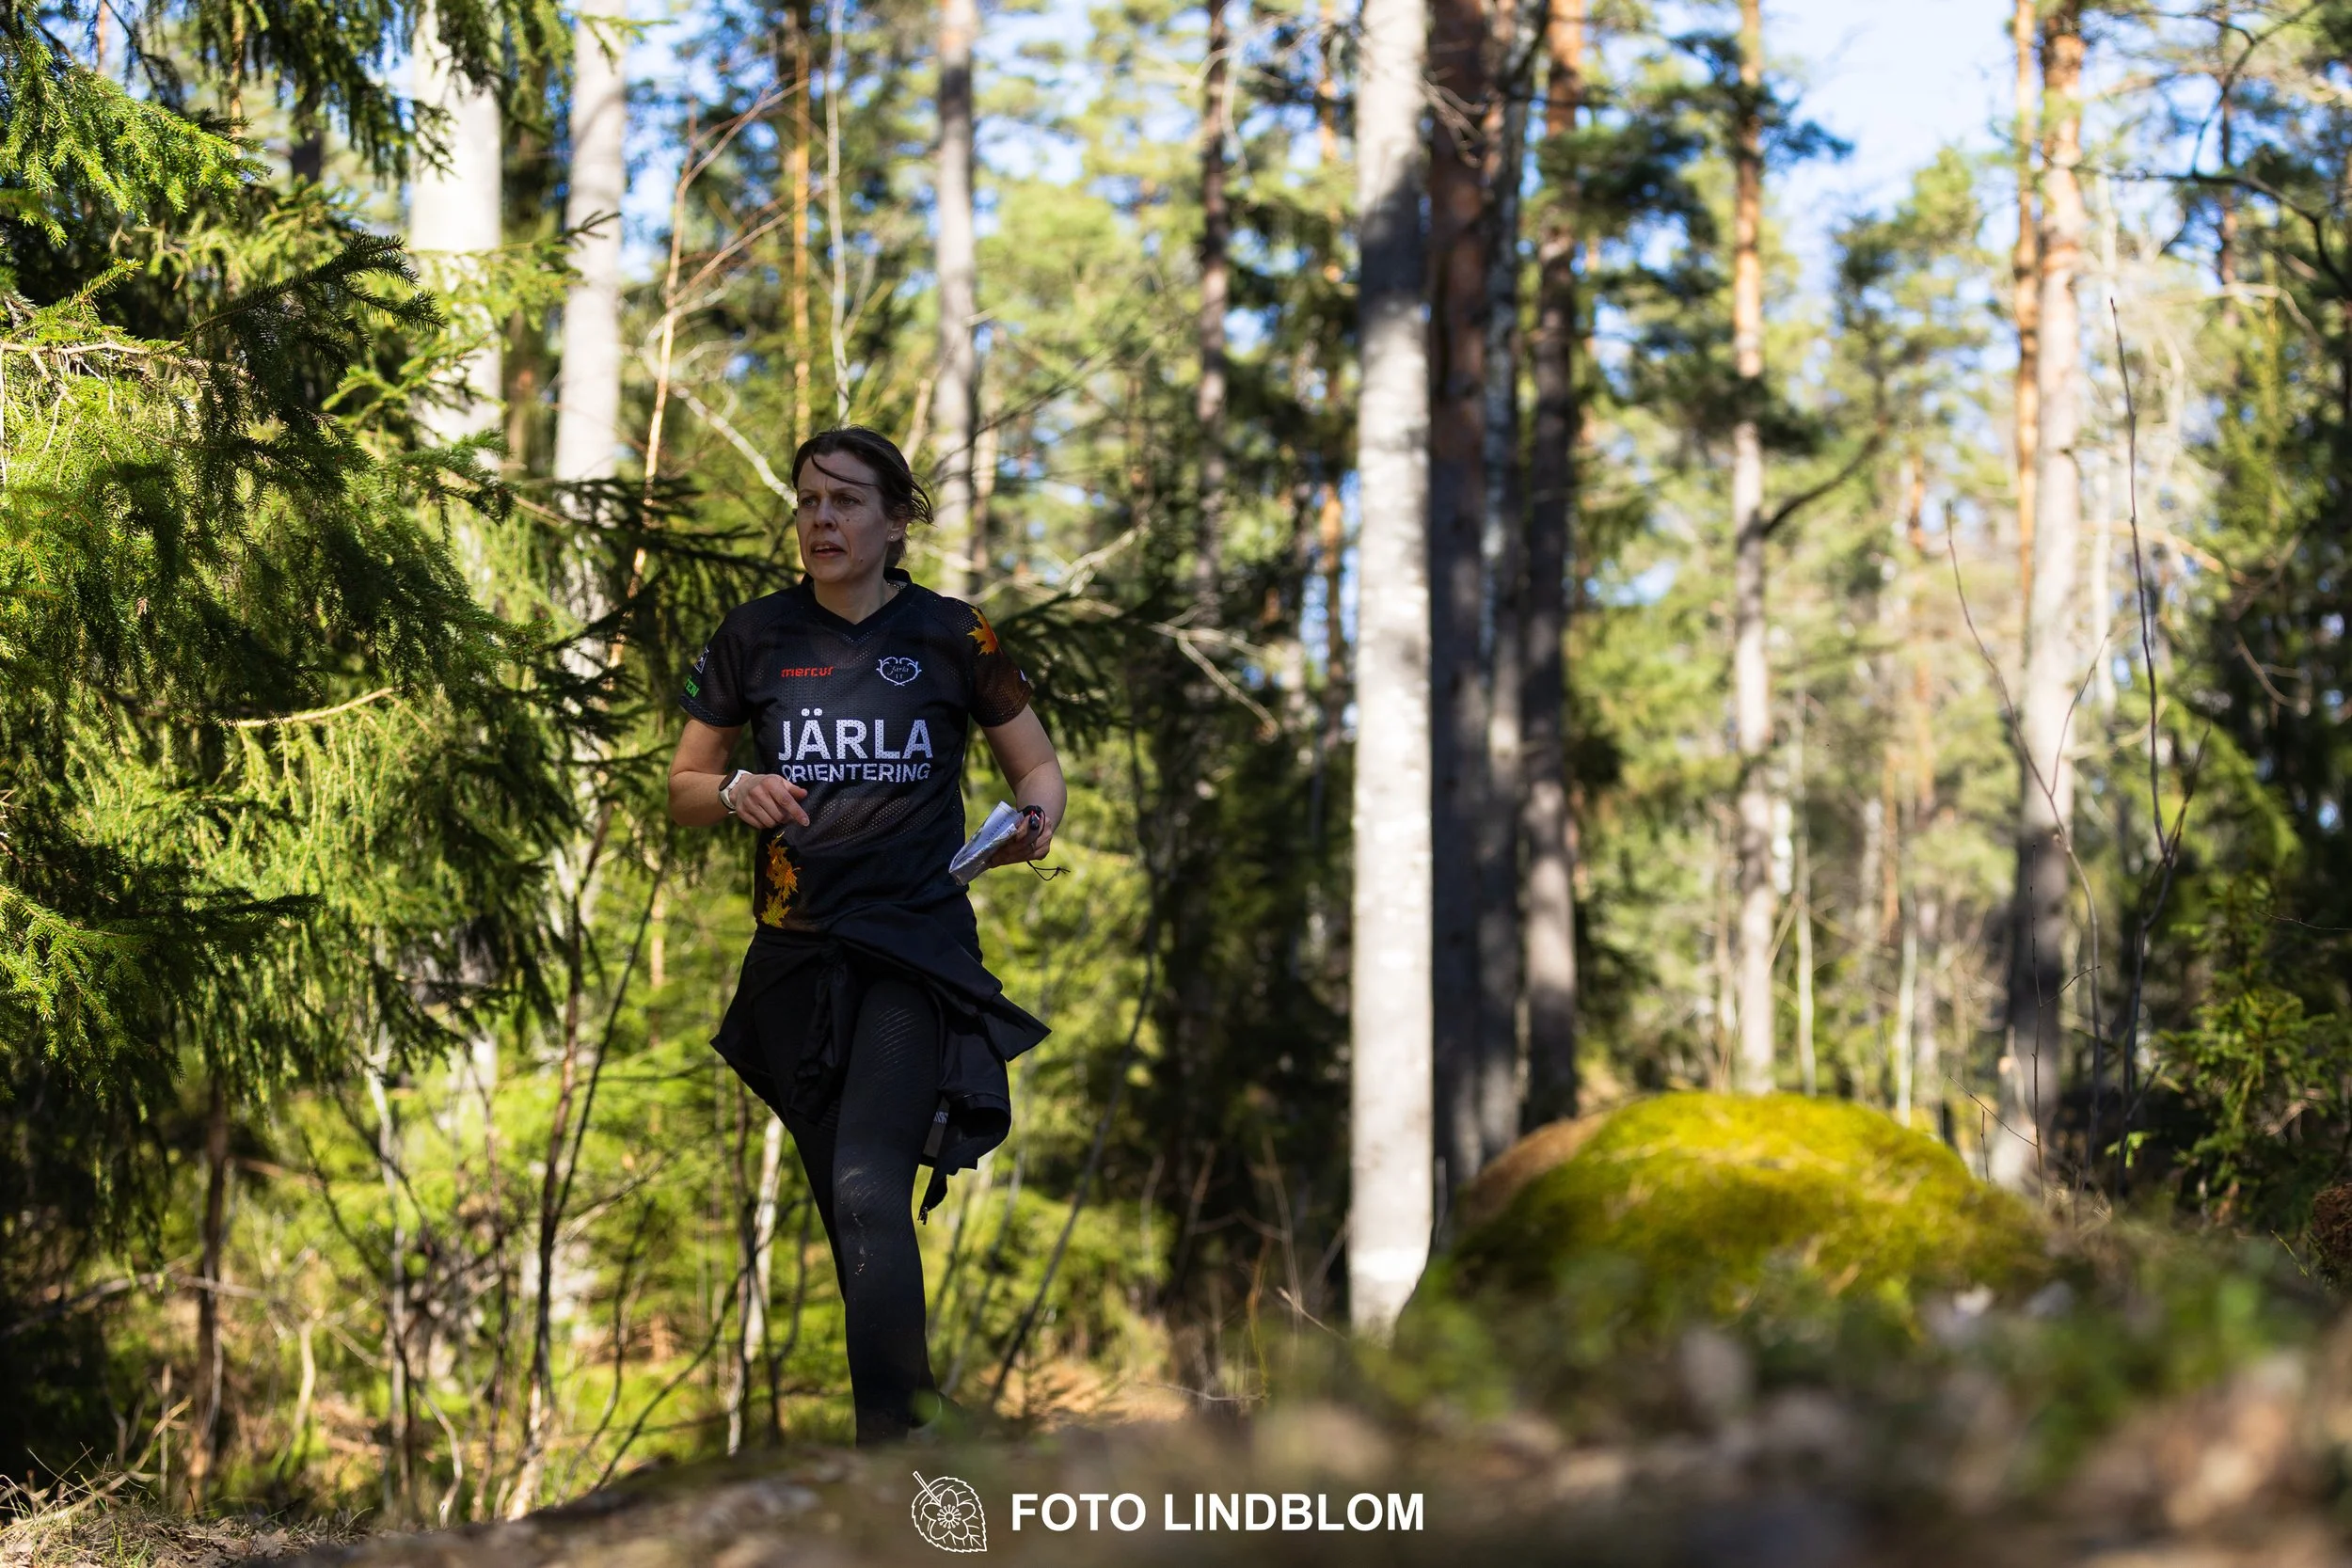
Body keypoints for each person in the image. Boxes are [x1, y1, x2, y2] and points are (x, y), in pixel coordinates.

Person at [667, 426, 1064, 1445]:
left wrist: (1030, 825)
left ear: (896, 521)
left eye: (845, 501)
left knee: (865, 1185)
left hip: (914, 948)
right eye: (807, 501)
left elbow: (1038, 771)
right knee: (850, 1212)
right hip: (795, 957)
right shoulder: (755, 636)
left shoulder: (953, 634)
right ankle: (919, 1422)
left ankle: (894, 1442)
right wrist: (735, 787)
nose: (821, 521)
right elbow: (683, 788)